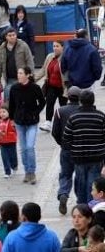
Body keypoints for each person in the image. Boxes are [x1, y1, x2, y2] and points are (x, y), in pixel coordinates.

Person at [63, 90, 105, 205]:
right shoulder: (100, 116)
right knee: (93, 185)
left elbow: (66, 138)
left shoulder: (73, 117)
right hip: (96, 158)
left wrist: (74, 149)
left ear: (80, 101)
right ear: (93, 101)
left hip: (79, 158)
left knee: (81, 184)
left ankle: (82, 208)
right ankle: (93, 208)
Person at [8, 67, 45, 185]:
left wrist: (36, 112)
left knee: (30, 147)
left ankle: (32, 171)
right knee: (23, 148)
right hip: (19, 121)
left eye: (21, 73)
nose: (18, 75)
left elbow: (42, 102)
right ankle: (26, 171)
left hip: (32, 122)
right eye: (18, 73)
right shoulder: (14, 88)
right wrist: (12, 119)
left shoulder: (35, 88)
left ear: (28, 75)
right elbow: (11, 105)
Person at [53, 86, 82, 216]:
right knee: (79, 175)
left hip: (66, 149)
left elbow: (55, 132)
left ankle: (63, 193)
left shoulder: (60, 111)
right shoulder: (83, 111)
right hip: (80, 149)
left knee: (65, 174)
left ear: (68, 97)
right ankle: (79, 199)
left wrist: (62, 143)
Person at [37, 40, 66, 132]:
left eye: (57, 46)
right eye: (54, 46)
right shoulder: (49, 57)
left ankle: (63, 123)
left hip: (62, 87)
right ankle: (48, 123)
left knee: (63, 106)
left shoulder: (65, 58)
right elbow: (42, 70)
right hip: (51, 86)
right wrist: (32, 79)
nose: (55, 48)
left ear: (62, 47)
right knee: (49, 103)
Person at [0, 104, 18, 178]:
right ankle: (7, 172)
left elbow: (17, 130)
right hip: (3, 143)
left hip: (11, 142)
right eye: (0, 112)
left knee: (13, 156)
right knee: (4, 157)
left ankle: (14, 166)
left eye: (4, 112)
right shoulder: (0, 122)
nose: (2, 114)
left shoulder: (12, 121)